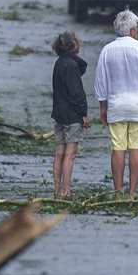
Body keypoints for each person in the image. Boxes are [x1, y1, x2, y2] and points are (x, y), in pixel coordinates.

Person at [94, 9, 138, 200]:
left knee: (118, 148)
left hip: (116, 104)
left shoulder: (107, 50)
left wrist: (103, 106)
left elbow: (101, 81)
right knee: (135, 149)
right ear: (132, 31)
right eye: (136, 28)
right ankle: (131, 194)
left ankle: (117, 192)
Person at [50, 31, 90, 197]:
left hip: (59, 113)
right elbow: (76, 93)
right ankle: (66, 190)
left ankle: (57, 189)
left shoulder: (59, 63)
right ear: (73, 46)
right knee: (70, 154)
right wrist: (83, 114)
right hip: (72, 115)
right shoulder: (72, 66)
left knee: (59, 152)